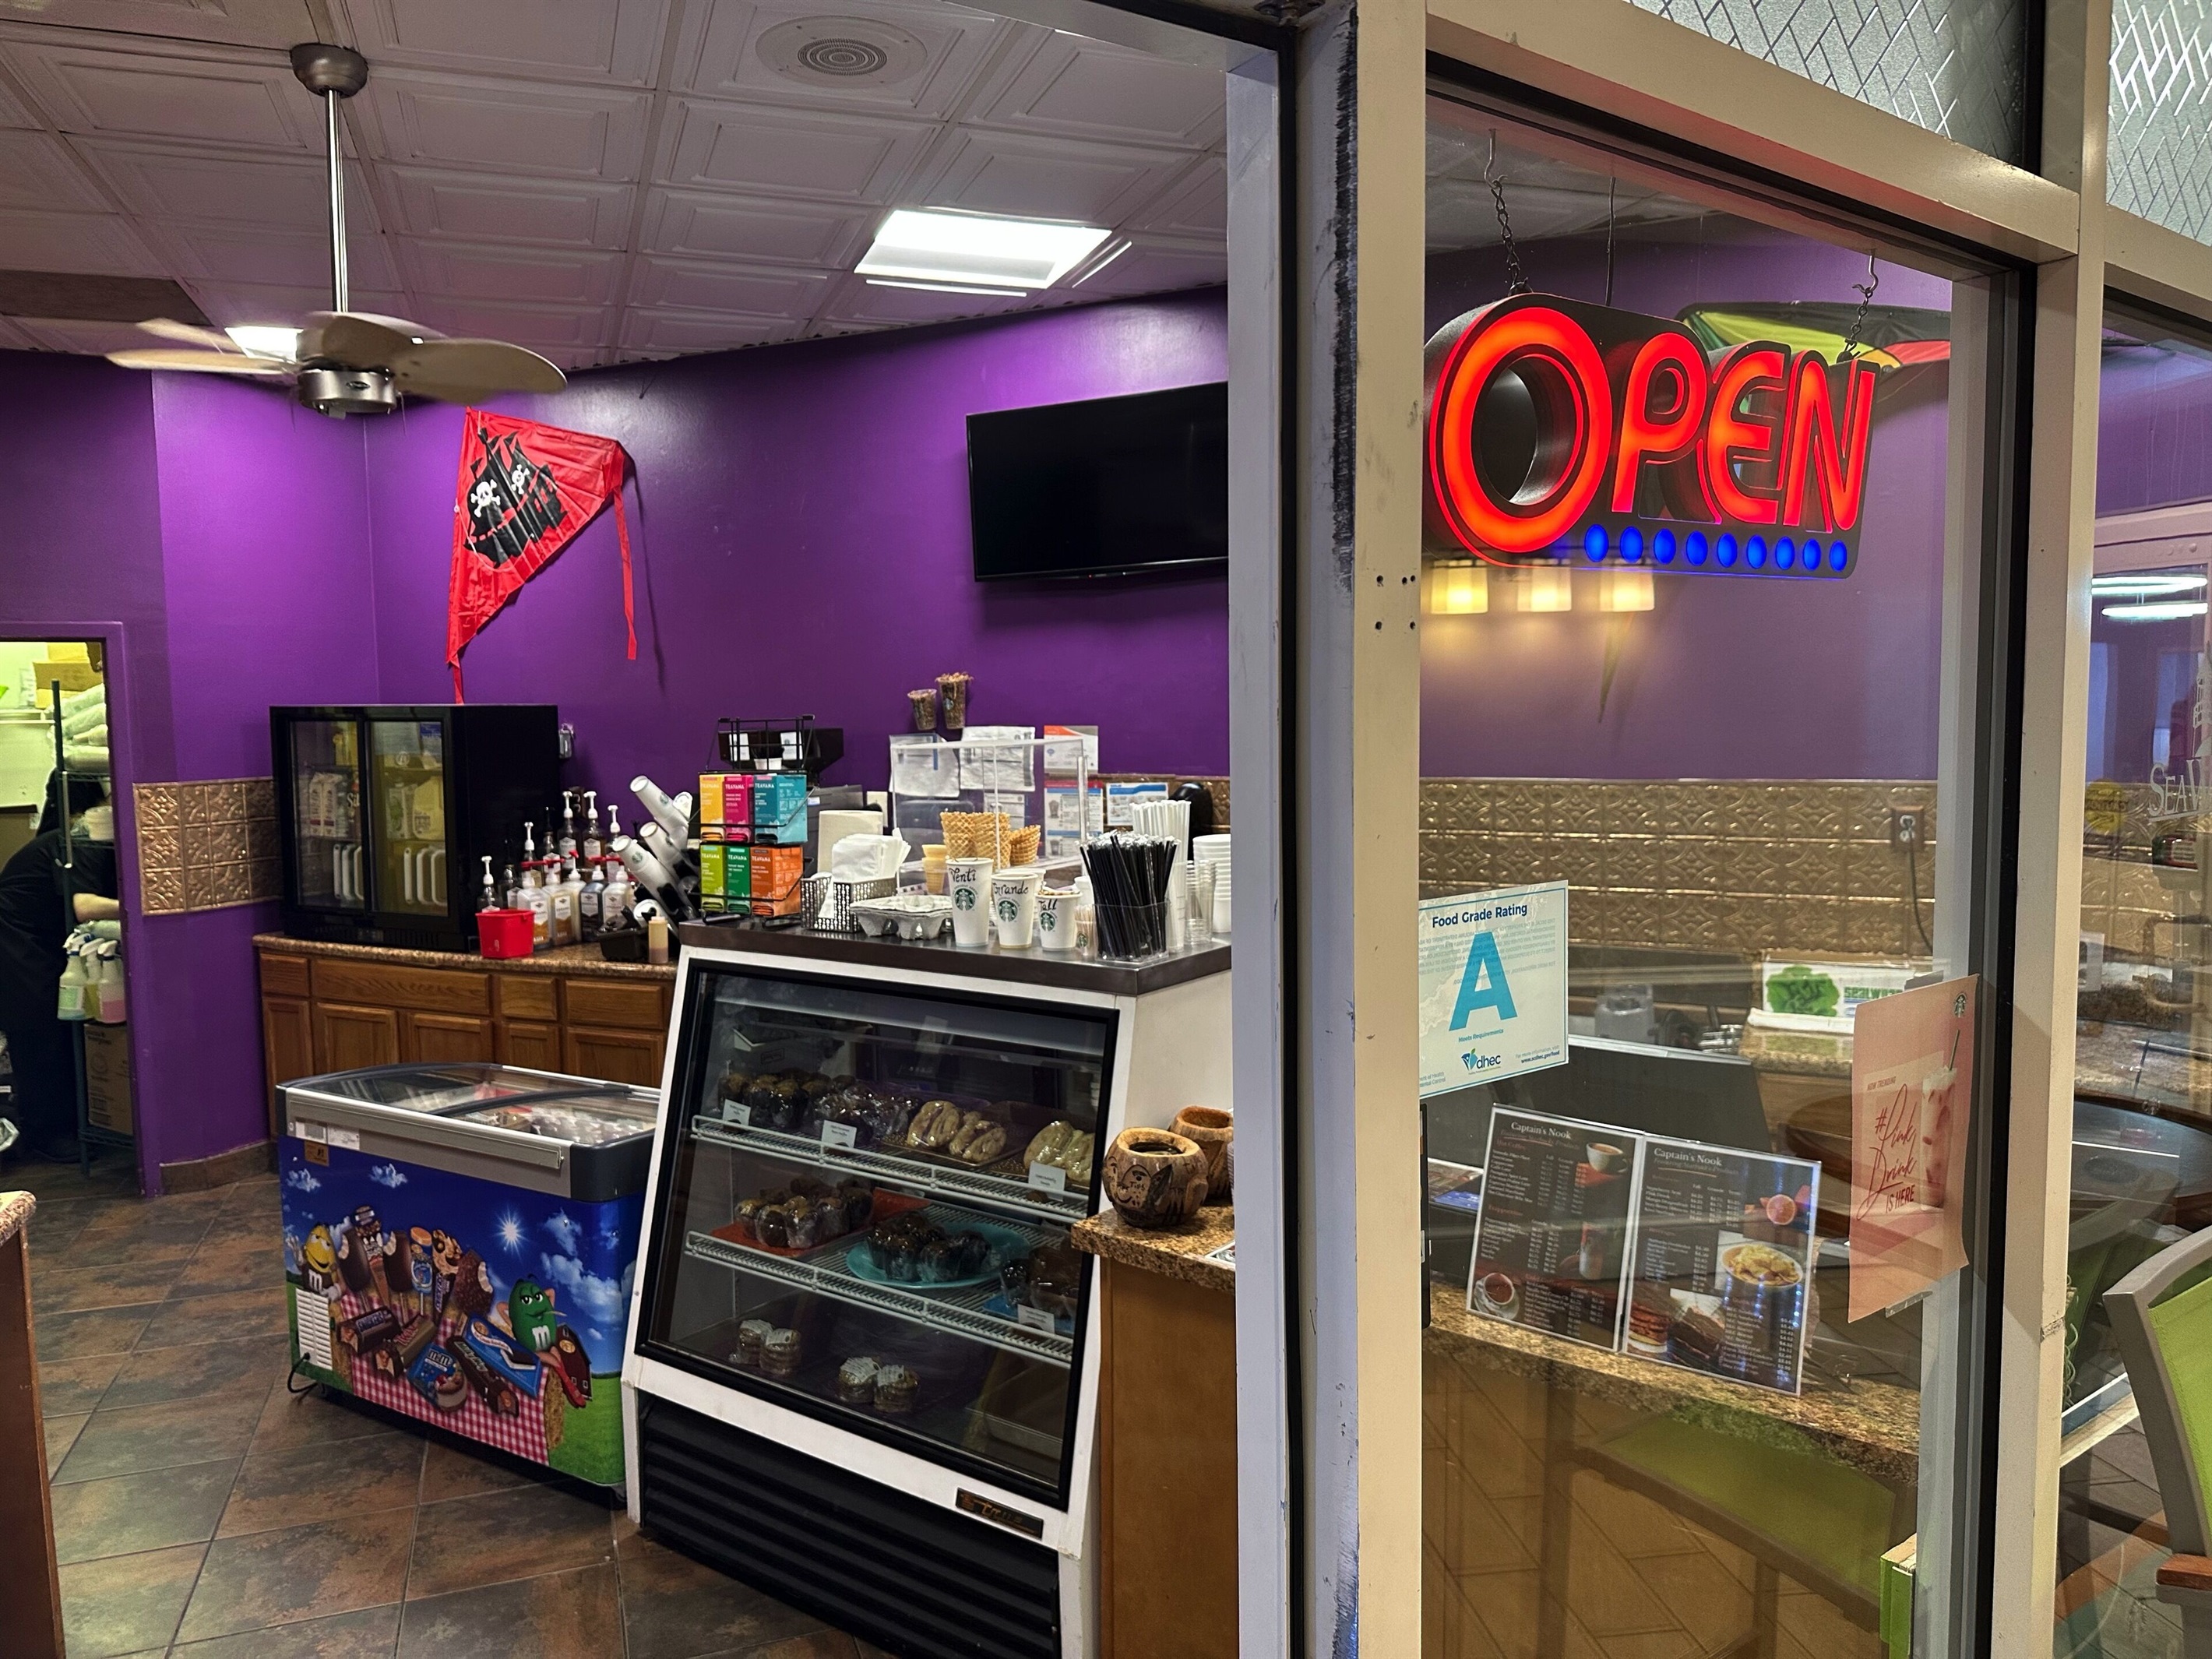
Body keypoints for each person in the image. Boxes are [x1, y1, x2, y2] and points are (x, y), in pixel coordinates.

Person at [0, 776, 119, 1161]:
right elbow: (84, 906)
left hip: (41, 939)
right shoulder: (74, 842)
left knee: (60, 1029)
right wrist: (138, 906)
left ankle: (66, 1125)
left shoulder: (85, 841)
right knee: (38, 1030)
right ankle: (45, 1134)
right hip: (14, 939)